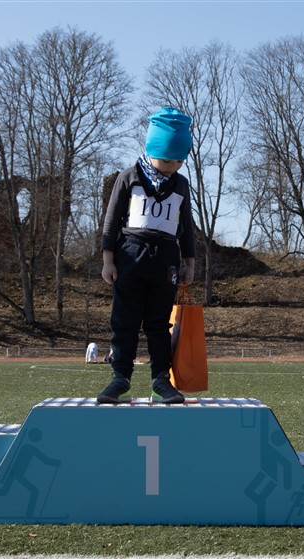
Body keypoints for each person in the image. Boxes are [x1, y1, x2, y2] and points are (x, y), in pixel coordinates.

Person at [97, 107, 196, 404]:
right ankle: (120, 378)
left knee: (159, 323)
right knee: (124, 320)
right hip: (130, 254)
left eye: (179, 161)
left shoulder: (181, 184)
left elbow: (186, 224)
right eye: (166, 160)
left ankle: (160, 380)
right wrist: (108, 259)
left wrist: (189, 262)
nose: (172, 167)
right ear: (152, 149)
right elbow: (111, 220)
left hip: (166, 259)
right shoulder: (129, 177)